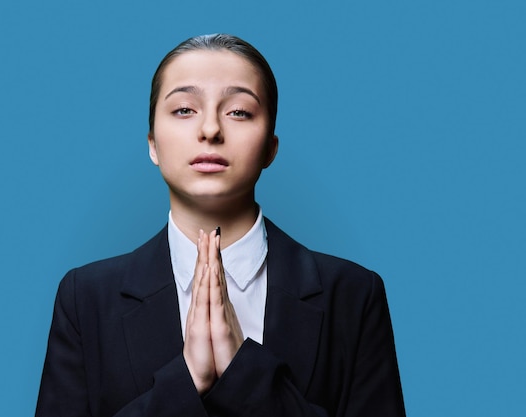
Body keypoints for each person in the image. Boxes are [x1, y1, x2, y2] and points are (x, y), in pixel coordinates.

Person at [36, 34, 406, 417]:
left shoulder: (353, 295)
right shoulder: (85, 299)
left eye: (239, 112)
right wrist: (186, 381)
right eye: (184, 109)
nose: (210, 129)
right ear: (152, 145)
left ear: (270, 148)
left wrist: (244, 375)